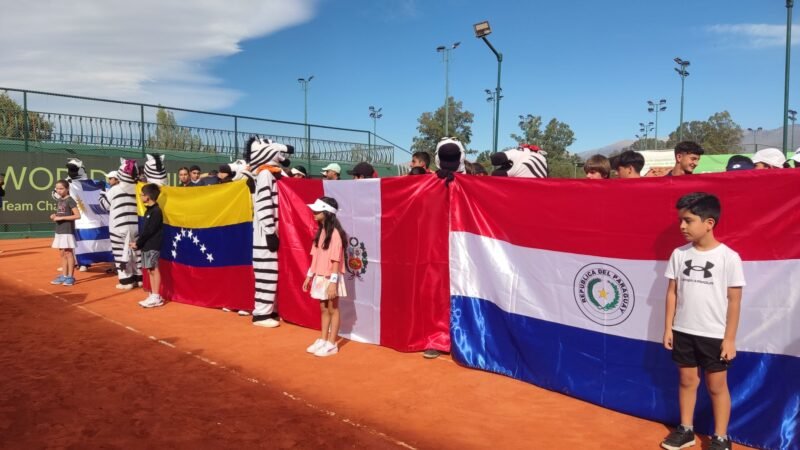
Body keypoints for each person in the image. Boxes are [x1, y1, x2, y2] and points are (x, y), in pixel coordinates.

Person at [661, 192, 745, 450]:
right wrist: (668, 327)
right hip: (683, 330)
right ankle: (686, 429)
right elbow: (672, 292)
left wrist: (729, 339)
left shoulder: (729, 258)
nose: (682, 226)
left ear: (709, 223)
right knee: (686, 381)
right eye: (680, 221)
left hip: (714, 334)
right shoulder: (679, 254)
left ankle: (720, 437)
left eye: (688, 220)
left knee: (717, 386)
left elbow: (735, 301)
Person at [302, 197, 348, 357]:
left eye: (318, 210)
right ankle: (323, 339)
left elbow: (336, 259)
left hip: (331, 278)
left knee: (332, 308)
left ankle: (331, 343)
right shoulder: (321, 231)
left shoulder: (335, 234)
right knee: (323, 308)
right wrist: (309, 276)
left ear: (327, 213)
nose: (314, 212)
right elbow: (315, 256)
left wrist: (333, 283)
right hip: (320, 276)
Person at [132, 184, 165, 308]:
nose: (140, 197)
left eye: (142, 194)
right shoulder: (148, 210)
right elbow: (146, 230)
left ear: (148, 196)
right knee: (150, 269)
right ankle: (153, 294)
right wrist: (140, 243)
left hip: (153, 245)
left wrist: (138, 243)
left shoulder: (156, 211)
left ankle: (156, 296)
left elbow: (150, 230)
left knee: (153, 269)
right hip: (146, 245)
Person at [50, 180, 81, 286]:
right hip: (59, 230)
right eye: (57, 188)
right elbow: (61, 213)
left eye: (61, 188)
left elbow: (77, 215)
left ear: (67, 189)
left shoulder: (70, 200)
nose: (58, 191)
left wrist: (62, 217)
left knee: (68, 253)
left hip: (67, 230)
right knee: (62, 253)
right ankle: (63, 275)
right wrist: (54, 216)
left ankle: (70, 277)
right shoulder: (60, 200)